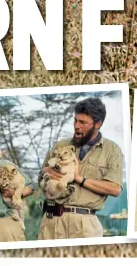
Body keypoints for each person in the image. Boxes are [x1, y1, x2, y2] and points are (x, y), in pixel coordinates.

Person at [38, 97, 123, 240]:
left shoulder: (112, 150)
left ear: (98, 124)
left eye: (82, 122)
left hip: (86, 225)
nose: (77, 126)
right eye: (75, 120)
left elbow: (115, 189)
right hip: (52, 221)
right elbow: (41, 176)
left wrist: (79, 178)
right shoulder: (60, 146)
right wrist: (46, 172)